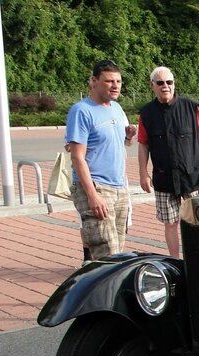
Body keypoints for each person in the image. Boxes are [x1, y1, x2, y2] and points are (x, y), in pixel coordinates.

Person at [137, 66, 199, 259]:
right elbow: (143, 145)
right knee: (170, 223)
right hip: (164, 178)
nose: (165, 86)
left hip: (192, 175)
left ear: (174, 84)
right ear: (152, 86)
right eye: (160, 83)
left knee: (198, 220)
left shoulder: (191, 107)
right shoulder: (146, 113)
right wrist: (143, 174)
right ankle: (175, 260)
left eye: (169, 82)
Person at [66, 60, 136, 260]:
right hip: (97, 187)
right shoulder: (81, 111)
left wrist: (128, 136)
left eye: (118, 81)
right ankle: (100, 291)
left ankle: (111, 290)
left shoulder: (116, 108)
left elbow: (121, 144)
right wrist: (92, 195)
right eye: (109, 81)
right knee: (106, 254)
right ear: (94, 81)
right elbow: (77, 156)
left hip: (119, 188)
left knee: (118, 253)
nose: (115, 86)